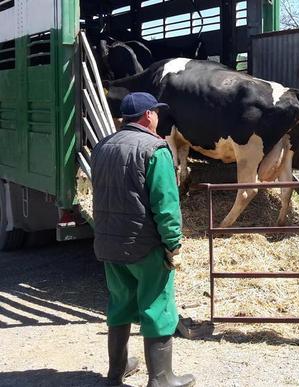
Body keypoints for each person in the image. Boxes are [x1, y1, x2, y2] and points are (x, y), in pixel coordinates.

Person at [91, 92, 195, 387]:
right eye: (156, 113)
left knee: (120, 304)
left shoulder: (101, 147)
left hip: (109, 243)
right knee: (157, 306)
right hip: (144, 245)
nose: (158, 118)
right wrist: (173, 243)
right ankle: (161, 378)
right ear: (148, 115)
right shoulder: (155, 150)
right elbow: (166, 204)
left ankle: (117, 371)